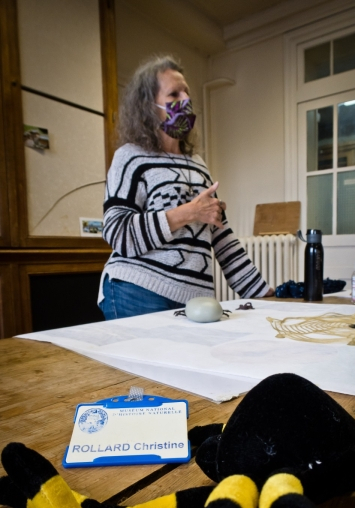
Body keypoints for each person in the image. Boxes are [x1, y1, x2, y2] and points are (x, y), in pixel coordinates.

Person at [98, 55, 274, 320]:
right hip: (137, 291)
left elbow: (222, 238)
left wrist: (262, 293)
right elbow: (117, 231)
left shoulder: (198, 164)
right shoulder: (130, 156)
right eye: (174, 94)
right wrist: (188, 212)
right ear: (148, 106)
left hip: (192, 301)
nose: (186, 101)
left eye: (187, 93)